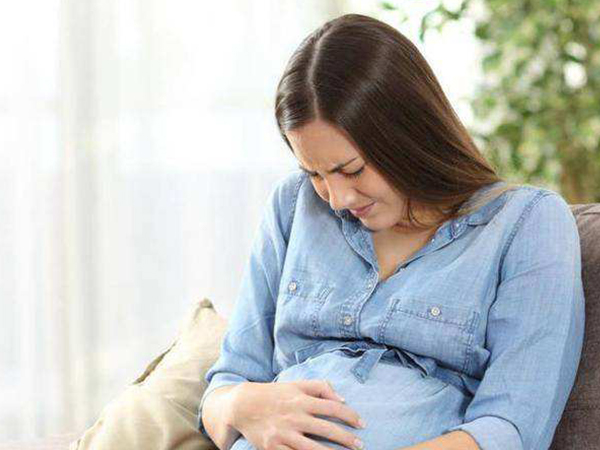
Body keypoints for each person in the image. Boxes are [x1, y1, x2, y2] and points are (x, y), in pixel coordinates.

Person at [197, 13, 585, 450]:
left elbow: (512, 428)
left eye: (351, 170)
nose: (336, 198)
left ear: (409, 136)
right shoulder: (293, 205)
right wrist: (241, 404)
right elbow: (227, 382)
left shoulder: (525, 224)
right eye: (315, 174)